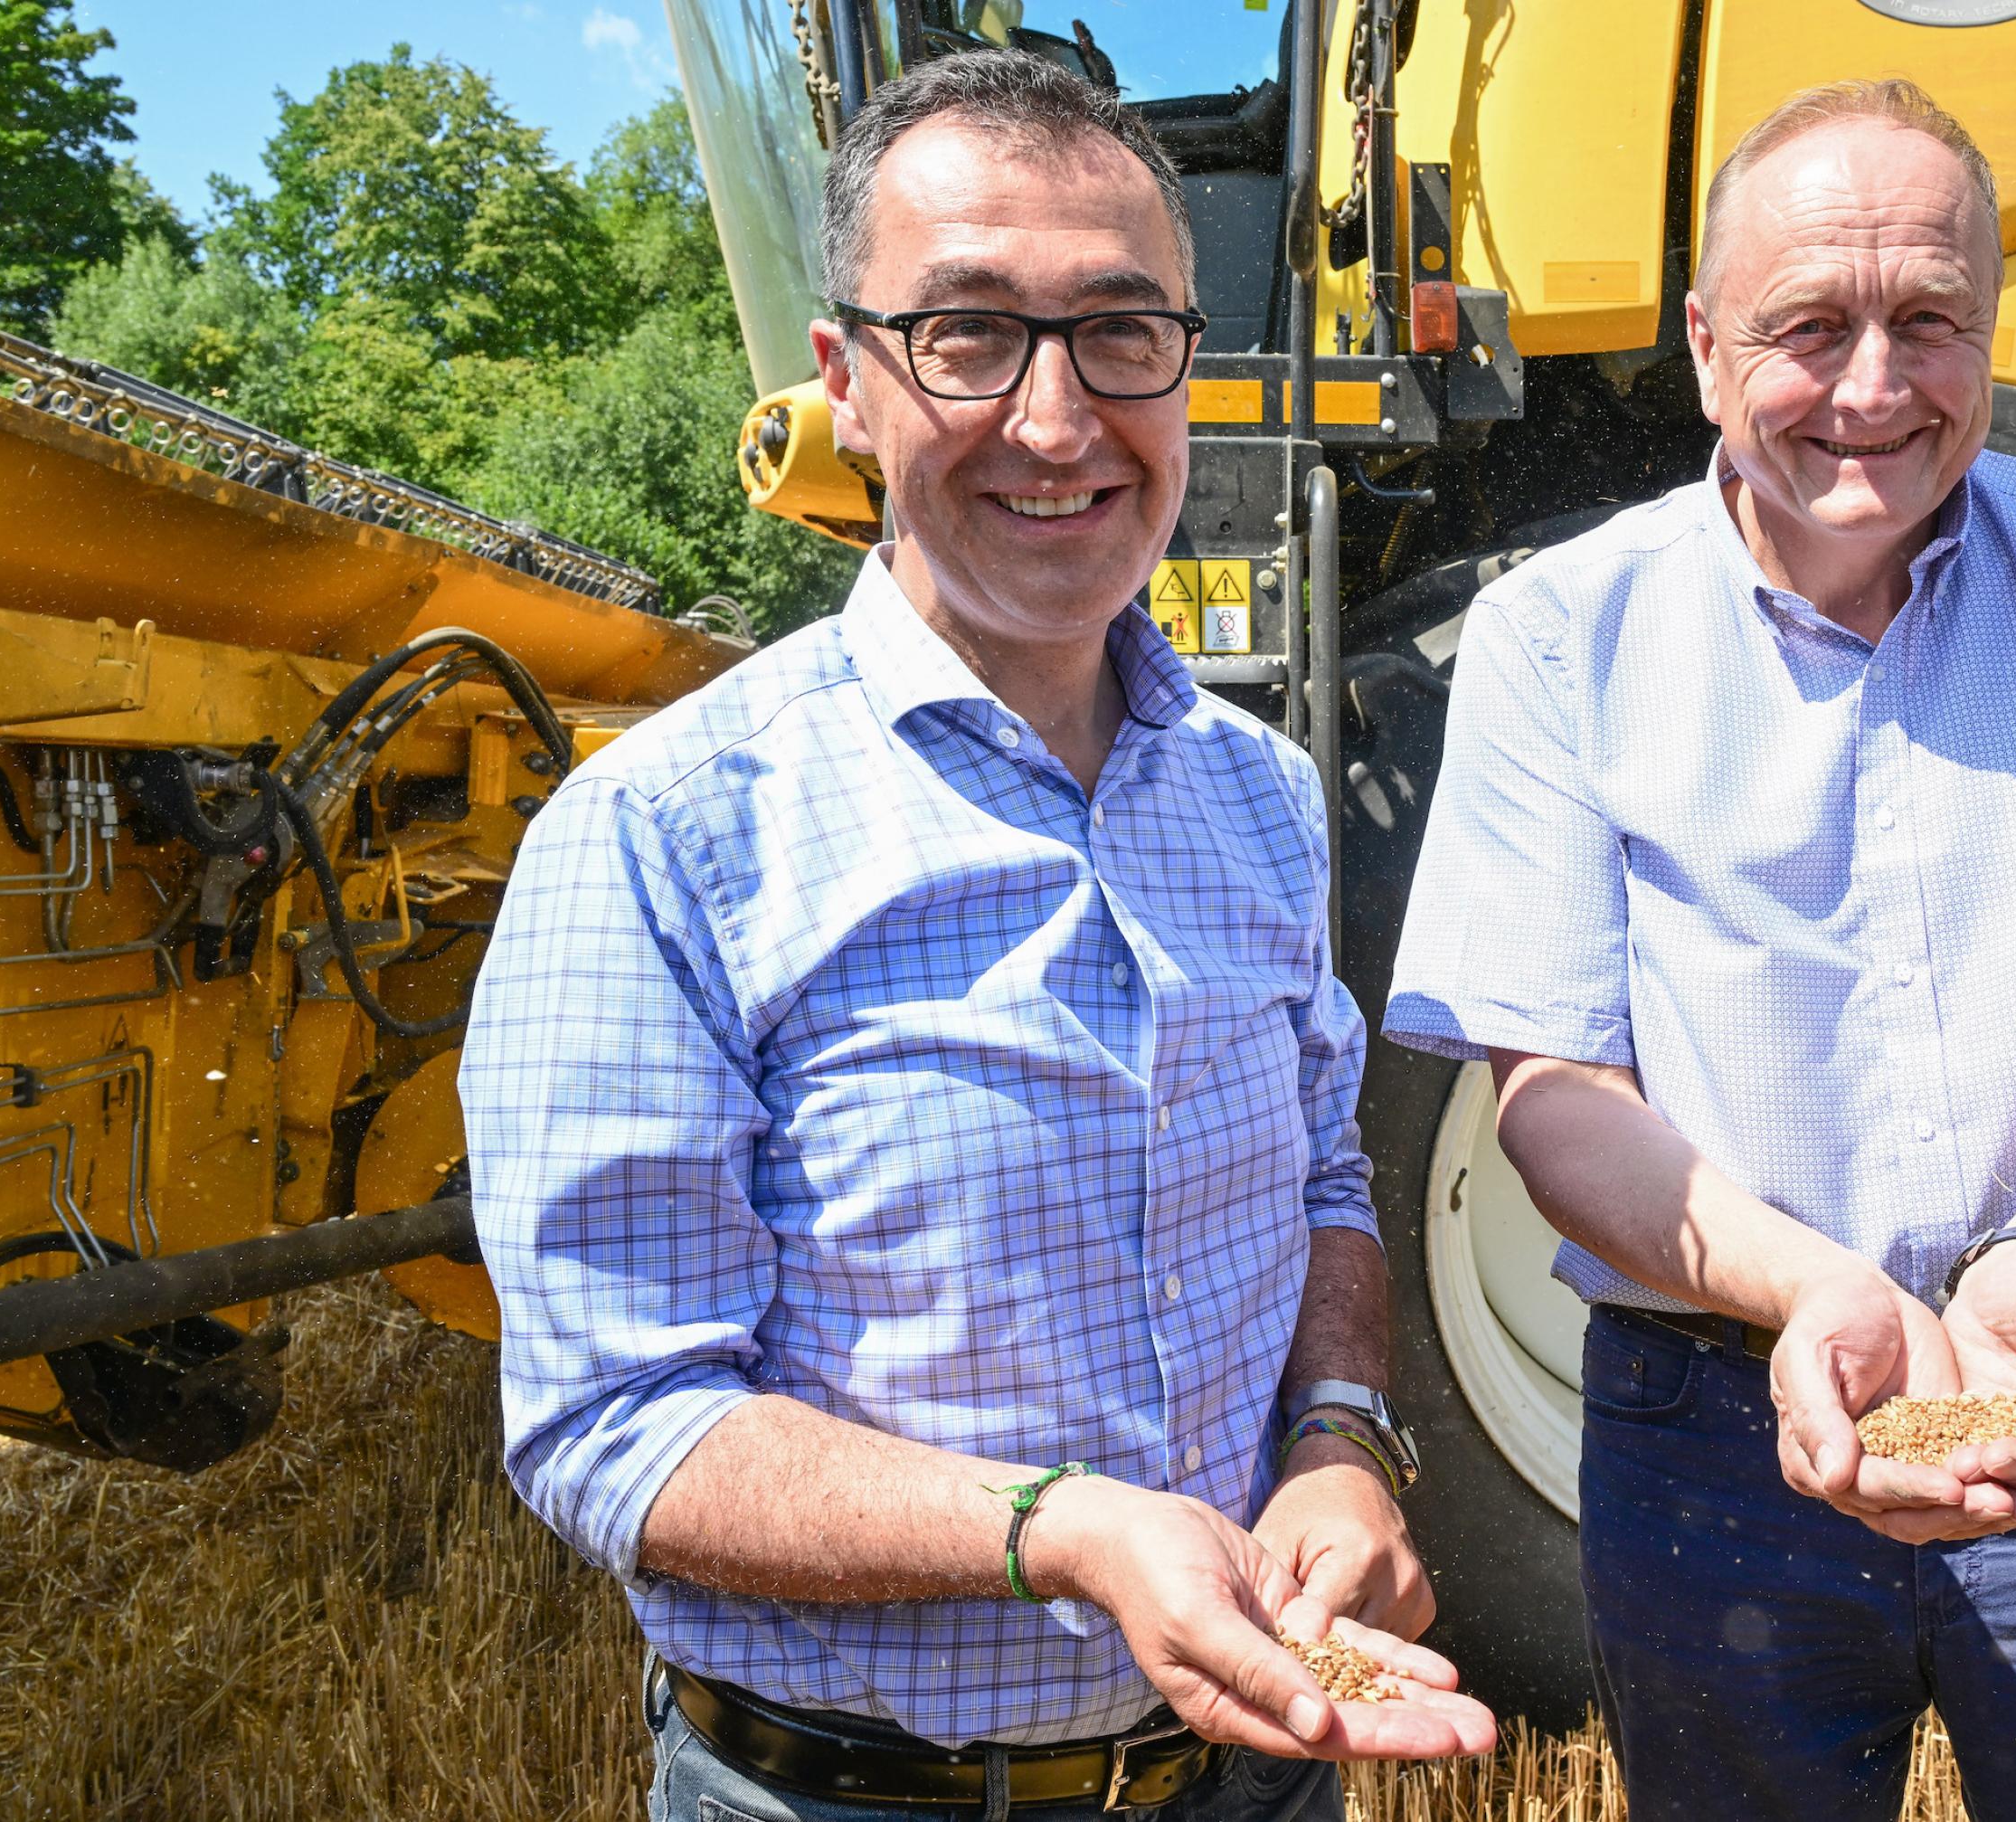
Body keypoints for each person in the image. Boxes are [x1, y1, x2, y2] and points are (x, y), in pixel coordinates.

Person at [458, 47, 1493, 1822]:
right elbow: (614, 1423)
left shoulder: (1250, 794)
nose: (1054, 415)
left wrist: (1335, 1442)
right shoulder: (669, 834)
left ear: (1189, 361)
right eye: (967, 335)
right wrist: (1059, 1531)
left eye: (1119, 331)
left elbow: (1324, 1178)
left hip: (1250, 1779)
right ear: (846, 380)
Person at [1384, 79, 2016, 1821]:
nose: (1871, 389)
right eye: (1808, 327)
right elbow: (1552, 1094)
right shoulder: (1558, 635)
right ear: (1699, 343)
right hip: (1712, 1428)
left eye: (1928, 324)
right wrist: (1816, 1293)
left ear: (1991, 327)